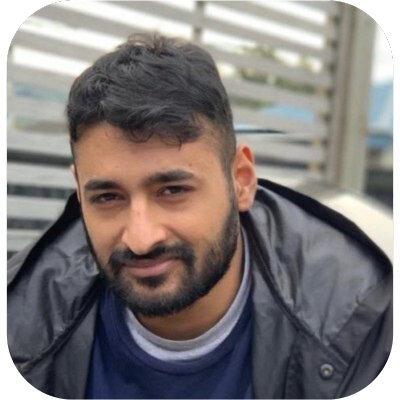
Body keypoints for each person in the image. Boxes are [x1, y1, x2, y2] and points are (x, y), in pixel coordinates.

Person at [7, 34, 392, 400]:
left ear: (241, 181)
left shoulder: (360, 323)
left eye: (173, 190)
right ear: (79, 192)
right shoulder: (21, 321)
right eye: (108, 197)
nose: (141, 238)